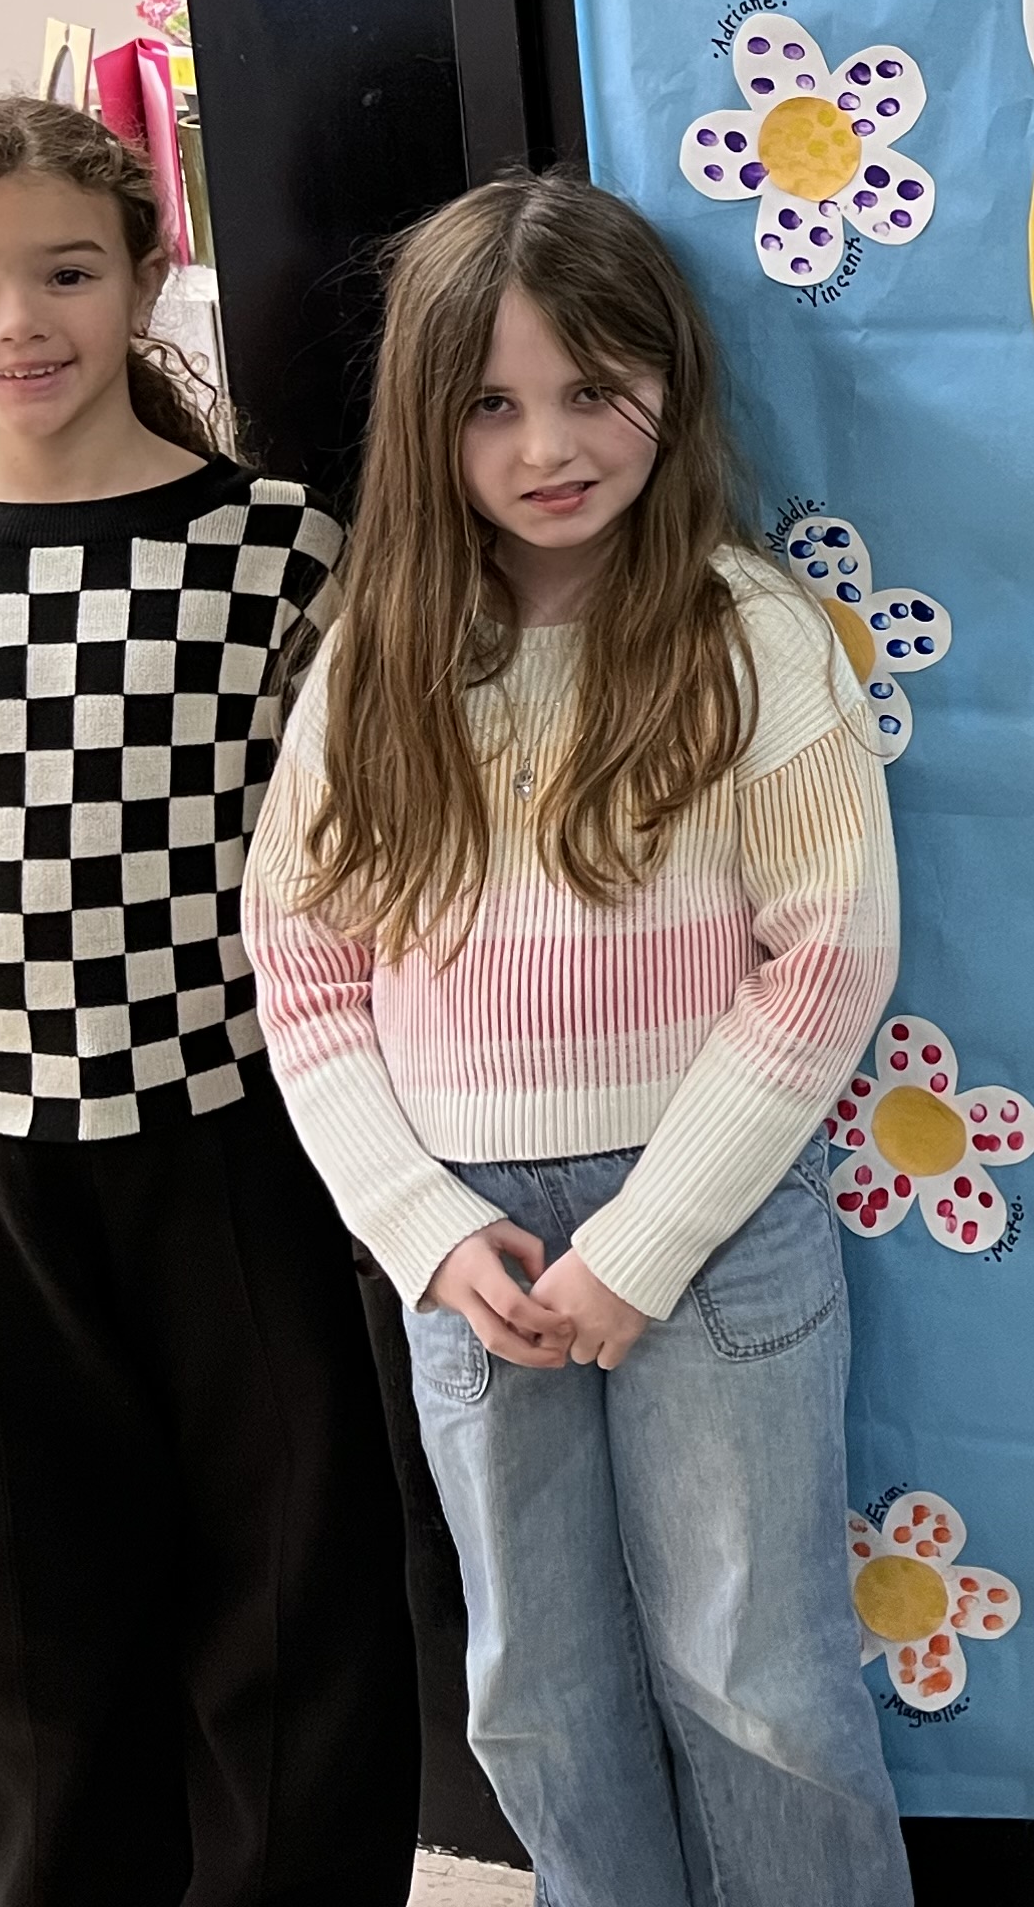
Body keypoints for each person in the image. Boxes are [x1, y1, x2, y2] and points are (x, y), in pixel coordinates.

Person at [0, 94, 418, 1907]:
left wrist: (402, 1175)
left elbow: (370, 869)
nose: (17, 320)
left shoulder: (285, 550)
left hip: (237, 1140)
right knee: (17, 1606)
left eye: (63, 271)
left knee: (294, 1578)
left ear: (144, 275)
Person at [245, 173, 913, 1907]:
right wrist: (423, 1224)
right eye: (492, 403)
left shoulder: (746, 632)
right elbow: (306, 975)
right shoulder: (379, 661)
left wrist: (649, 1238)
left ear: (671, 386)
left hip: (712, 1227)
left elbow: (827, 961)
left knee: (756, 1681)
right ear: (426, 422)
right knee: (533, 1696)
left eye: (593, 388)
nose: (551, 444)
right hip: (473, 1242)